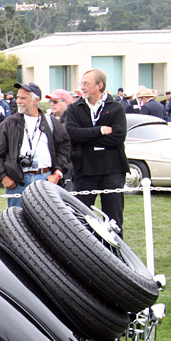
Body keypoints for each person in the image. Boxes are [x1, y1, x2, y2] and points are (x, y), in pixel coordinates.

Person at [65, 68, 129, 229]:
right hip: (84, 170)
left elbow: (118, 137)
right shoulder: (75, 108)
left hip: (112, 170)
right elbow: (72, 134)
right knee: (82, 218)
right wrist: (99, 131)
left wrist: (86, 139)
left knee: (113, 218)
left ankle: (114, 253)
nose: (82, 87)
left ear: (100, 85)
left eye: (86, 83)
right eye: (81, 83)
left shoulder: (116, 108)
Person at [0, 83, 70, 207]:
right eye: (18, 97)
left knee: (46, 222)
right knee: (17, 222)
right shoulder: (9, 123)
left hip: (46, 180)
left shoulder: (51, 123)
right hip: (18, 182)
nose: (18, 101)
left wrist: (57, 174)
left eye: (23, 98)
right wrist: (3, 177)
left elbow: (64, 150)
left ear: (36, 100)